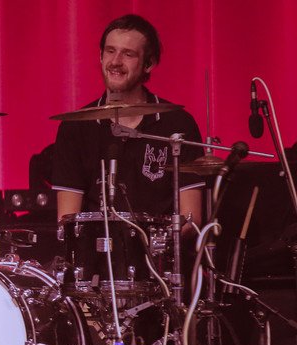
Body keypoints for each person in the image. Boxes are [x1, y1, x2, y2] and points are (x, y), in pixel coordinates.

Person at [52, 14, 204, 223]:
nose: (115, 62)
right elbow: (67, 220)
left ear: (149, 64)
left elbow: (191, 219)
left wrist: (157, 239)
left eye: (128, 54)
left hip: (159, 244)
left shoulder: (178, 123)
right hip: (98, 243)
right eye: (110, 51)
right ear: (100, 56)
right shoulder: (75, 127)